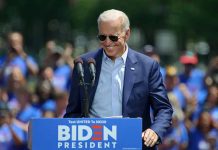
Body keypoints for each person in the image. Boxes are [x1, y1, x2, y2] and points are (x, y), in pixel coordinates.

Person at [64, 9, 173, 149]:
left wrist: (154, 131)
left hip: (134, 144)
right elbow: (73, 112)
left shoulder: (147, 66)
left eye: (113, 37)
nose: (108, 42)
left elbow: (164, 109)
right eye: (102, 37)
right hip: (94, 144)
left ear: (127, 34)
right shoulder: (84, 64)